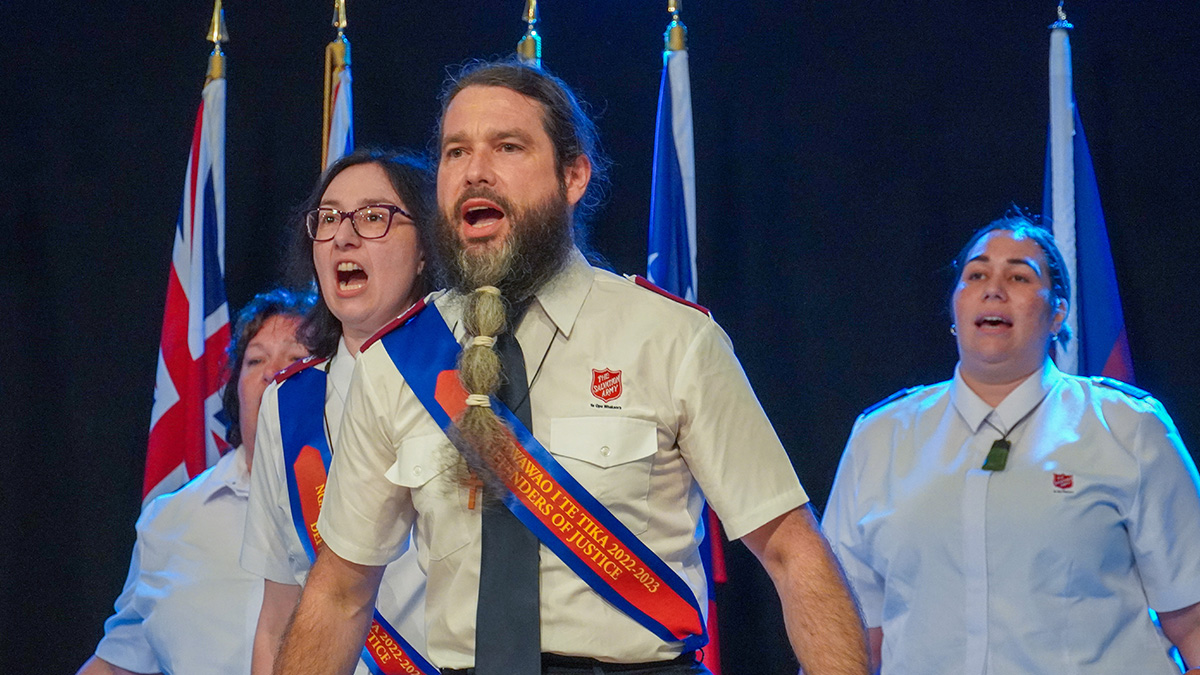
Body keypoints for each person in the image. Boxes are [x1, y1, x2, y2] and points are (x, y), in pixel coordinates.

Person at [274, 59, 868, 675]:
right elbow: (340, 591)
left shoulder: (671, 338)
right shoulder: (396, 361)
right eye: (455, 152)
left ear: (573, 175)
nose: (475, 170)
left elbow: (792, 552)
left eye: (507, 146)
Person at [822, 214, 1200, 674]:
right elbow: (848, 637)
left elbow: (1193, 621)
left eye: (1019, 276)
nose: (993, 289)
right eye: (976, 275)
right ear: (955, 308)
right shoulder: (879, 438)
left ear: (1058, 310)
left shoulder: (1128, 428)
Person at [238, 150, 436, 674]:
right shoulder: (288, 404)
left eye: (374, 216)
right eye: (328, 218)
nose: (343, 237)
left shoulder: (471, 380)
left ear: (425, 251)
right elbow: (278, 620)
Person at [77, 288, 313, 675]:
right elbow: (119, 663)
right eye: (256, 360)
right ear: (236, 390)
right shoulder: (170, 518)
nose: (273, 373)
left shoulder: (371, 501)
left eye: (296, 359)